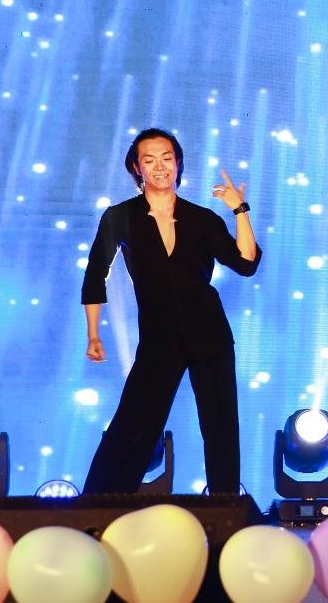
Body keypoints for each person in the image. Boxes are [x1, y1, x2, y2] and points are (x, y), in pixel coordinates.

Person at [80, 127, 261, 494]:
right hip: (158, 335)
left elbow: (245, 262)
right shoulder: (120, 216)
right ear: (136, 167)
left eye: (167, 158)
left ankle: (225, 504)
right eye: (149, 160)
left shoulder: (202, 218)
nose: (160, 166)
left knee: (220, 424)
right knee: (133, 421)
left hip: (209, 332)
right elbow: (96, 273)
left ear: (178, 163)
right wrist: (94, 333)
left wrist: (239, 209)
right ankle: (99, 503)